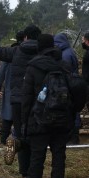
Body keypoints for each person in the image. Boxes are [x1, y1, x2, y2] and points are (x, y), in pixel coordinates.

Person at [0, 25, 41, 178]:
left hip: (18, 101)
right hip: (37, 102)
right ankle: (35, 171)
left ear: (25, 37)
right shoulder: (43, 52)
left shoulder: (17, 51)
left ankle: (24, 171)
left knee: (20, 134)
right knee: (37, 137)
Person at [21, 34, 75, 177]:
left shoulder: (32, 67)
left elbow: (26, 98)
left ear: (39, 46)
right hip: (61, 119)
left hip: (38, 119)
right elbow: (75, 91)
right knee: (59, 159)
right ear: (53, 46)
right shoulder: (64, 66)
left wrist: (24, 123)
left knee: (37, 159)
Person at [0, 31, 24, 145]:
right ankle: (18, 141)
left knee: (8, 117)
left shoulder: (10, 53)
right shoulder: (29, 52)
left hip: (11, 91)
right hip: (24, 91)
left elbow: (1, 73)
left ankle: (3, 141)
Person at [54, 33, 81, 144]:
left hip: (68, 86)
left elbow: (65, 71)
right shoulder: (69, 51)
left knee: (70, 111)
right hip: (72, 85)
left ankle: (72, 137)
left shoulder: (64, 55)